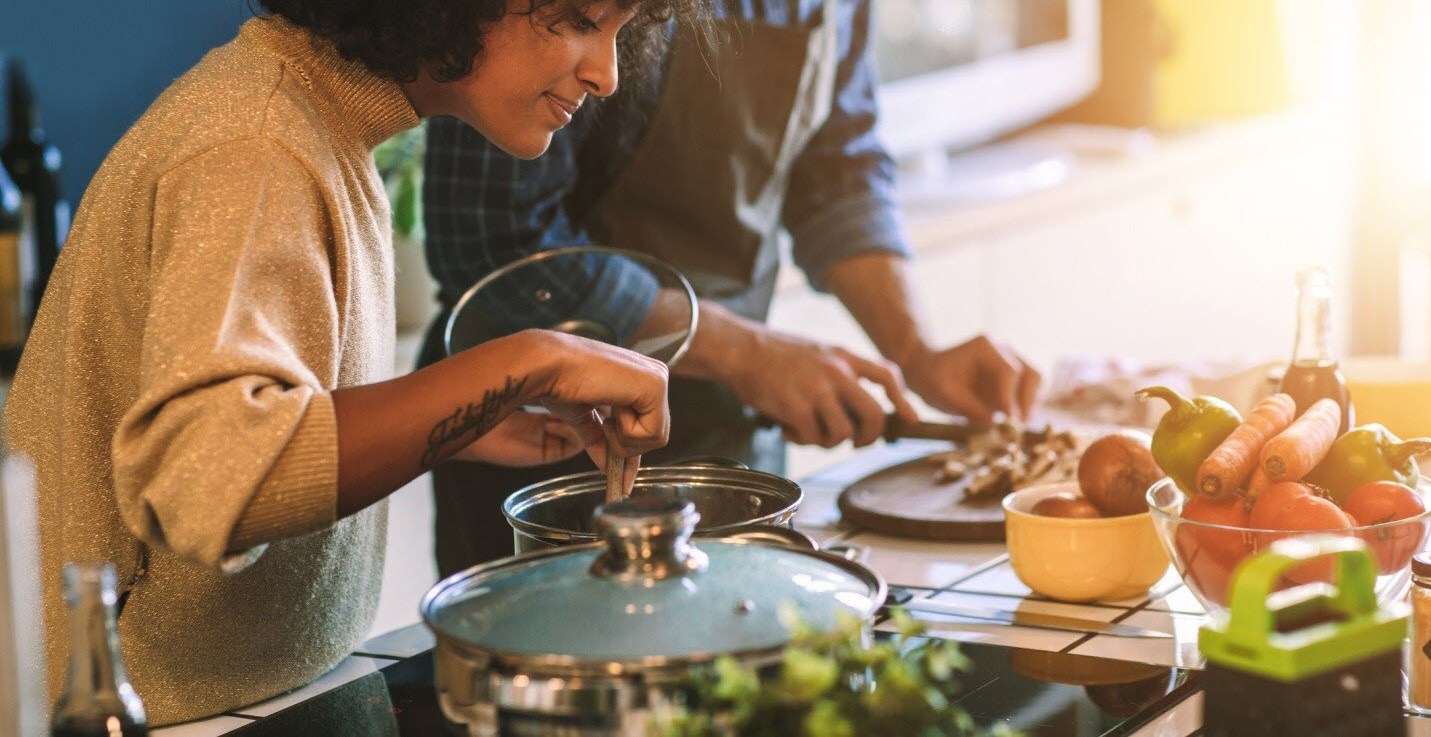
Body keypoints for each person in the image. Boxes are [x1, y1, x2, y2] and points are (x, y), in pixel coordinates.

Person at [2, 0, 698, 724]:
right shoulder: (255, 139)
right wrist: (529, 360)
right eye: (581, 19)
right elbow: (209, 477)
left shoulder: (319, 121)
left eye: (622, 33)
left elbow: (279, 400)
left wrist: (456, 420)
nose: (608, 74)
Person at [420, 0, 1044, 574]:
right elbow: (495, 238)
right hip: (552, 452)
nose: (605, 72)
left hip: (729, 439)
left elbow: (839, 170)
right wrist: (745, 353)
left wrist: (915, 351)